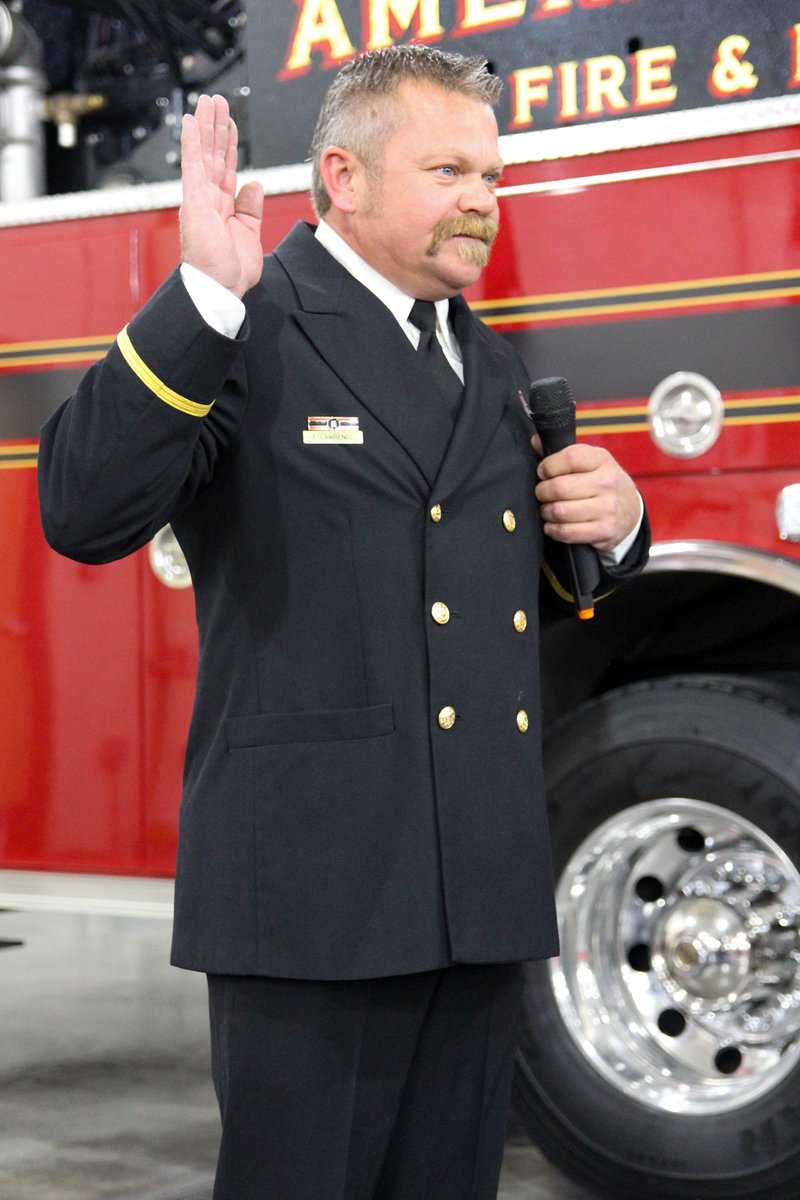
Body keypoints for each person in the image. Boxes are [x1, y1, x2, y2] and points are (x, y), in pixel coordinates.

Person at [38, 44, 649, 1200]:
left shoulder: (487, 358)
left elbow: (491, 598)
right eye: (449, 169)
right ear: (345, 177)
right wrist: (202, 297)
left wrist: (613, 532)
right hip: (314, 896)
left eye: (492, 174)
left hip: (474, 885)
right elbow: (80, 507)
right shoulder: (248, 325)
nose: (482, 199)